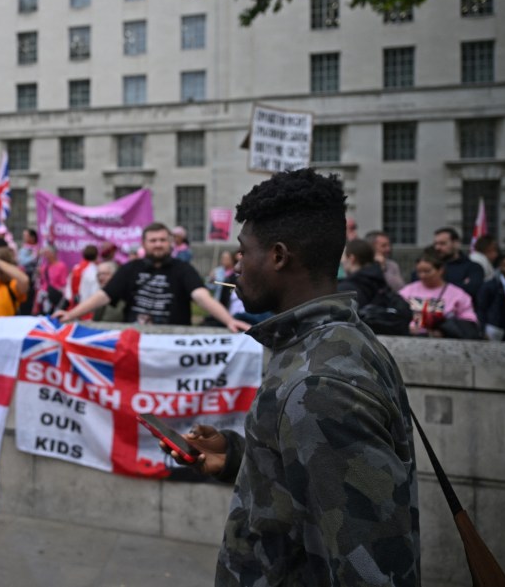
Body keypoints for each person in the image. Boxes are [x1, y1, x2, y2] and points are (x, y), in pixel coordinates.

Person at [176, 168, 419, 585]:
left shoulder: (322, 386)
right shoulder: (329, 342)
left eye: (243, 251)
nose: (235, 265)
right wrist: (237, 456)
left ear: (278, 256)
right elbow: (311, 489)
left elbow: (374, 568)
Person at [57, 223, 249, 332]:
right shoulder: (130, 269)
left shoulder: (183, 269)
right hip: (133, 339)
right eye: (153, 240)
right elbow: (103, 296)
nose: (158, 244)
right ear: (144, 244)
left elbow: (201, 296)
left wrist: (228, 320)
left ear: (170, 243)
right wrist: (71, 315)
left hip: (172, 339)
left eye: (163, 240)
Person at [400, 248, 480, 338]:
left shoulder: (458, 295)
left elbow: (469, 323)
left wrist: (444, 331)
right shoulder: (407, 291)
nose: (422, 275)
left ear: (440, 270)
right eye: (419, 272)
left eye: (427, 271)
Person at [430, 227, 483, 299]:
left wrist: (435, 286)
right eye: (435, 244)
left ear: (456, 243)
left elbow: (471, 291)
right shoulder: (429, 267)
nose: (437, 247)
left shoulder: (473, 268)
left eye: (442, 243)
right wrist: (461, 285)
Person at [476, 253, 505, 341]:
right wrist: (482, 329)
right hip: (495, 328)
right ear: (500, 267)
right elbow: (481, 309)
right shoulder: (489, 286)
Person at [34, 243, 69, 315]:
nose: (45, 255)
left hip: (54, 297)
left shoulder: (61, 266)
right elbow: (40, 281)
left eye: (46, 253)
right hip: (43, 297)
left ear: (53, 254)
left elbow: (63, 284)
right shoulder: (44, 267)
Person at [64, 244, 99, 315]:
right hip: (88, 309)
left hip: (73, 308)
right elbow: (95, 292)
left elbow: (68, 291)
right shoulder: (95, 271)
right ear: (96, 256)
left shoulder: (76, 268)